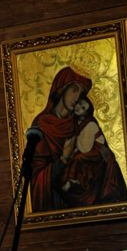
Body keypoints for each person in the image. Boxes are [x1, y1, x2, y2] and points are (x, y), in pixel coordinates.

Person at [30, 67, 92, 212]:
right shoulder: (42, 124)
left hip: (77, 198)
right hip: (54, 200)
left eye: (81, 93)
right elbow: (37, 176)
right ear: (62, 88)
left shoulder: (78, 123)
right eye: (74, 90)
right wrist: (64, 158)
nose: (77, 97)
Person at [61, 96, 127, 207]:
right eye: (79, 104)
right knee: (74, 159)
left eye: (83, 108)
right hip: (85, 149)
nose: (79, 108)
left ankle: (73, 181)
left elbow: (90, 144)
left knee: (78, 159)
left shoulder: (90, 123)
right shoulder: (75, 122)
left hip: (97, 150)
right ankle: (72, 181)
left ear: (86, 113)